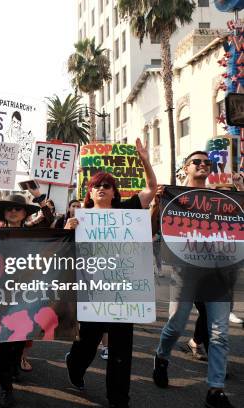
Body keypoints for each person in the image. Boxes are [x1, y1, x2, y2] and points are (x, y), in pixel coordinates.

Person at [65, 138, 156, 408]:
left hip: (123, 291)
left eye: (107, 185)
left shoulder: (127, 211)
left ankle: (119, 398)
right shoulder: (79, 218)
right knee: (89, 341)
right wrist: (68, 230)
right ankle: (75, 363)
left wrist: (144, 159)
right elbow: (65, 254)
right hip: (92, 292)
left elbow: (151, 189)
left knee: (121, 348)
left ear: (114, 192)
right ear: (89, 192)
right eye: (97, 186)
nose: (102, 188)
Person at [152, 151, 242, 408]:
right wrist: (157, 204)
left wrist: (241, 192)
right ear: (186, 168)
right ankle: (162, 356)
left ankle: (215, 390)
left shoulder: (221, 199)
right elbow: (154, 228)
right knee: (176, 325)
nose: (203, 165)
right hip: (185, 272)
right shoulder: (174, 197)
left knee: (220, 334)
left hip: (219, 274)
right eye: (197, 162)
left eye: (207, 163)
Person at [0, 193, 46, 408]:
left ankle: (13, 367)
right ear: (3, 213)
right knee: (3, 341)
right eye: (9, 209)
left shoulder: (35, 234)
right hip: (1, 295)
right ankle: (5, 388)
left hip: (26, 296)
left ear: (24, 213)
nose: (13, 212)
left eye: (17, 209)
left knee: (20, 339)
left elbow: (50, 219)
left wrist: (39, 196)